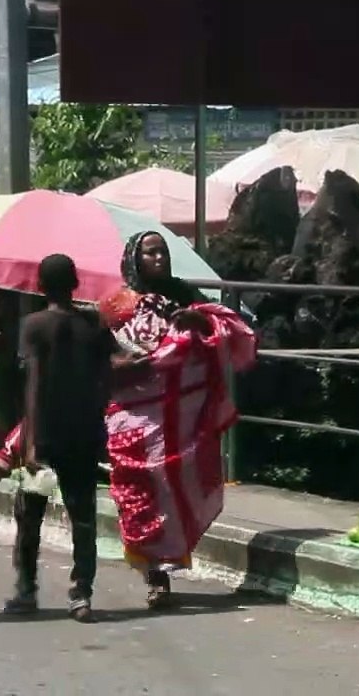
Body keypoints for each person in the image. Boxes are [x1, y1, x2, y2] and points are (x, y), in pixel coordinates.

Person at [99, 231, 256, 606]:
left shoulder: (185, 295)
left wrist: (198, 322)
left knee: (174, 494)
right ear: (134, 259)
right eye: (150, 253)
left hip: (184, 418)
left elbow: (224, 329)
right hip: (134, 416)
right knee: (140, 495)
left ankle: (164, 571)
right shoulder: (114, 303)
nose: (159, 258)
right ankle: (154, 574)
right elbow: (97, 354)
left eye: (163, 252)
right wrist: (123, 363)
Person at [4, 254, 115, 623]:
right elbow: (110, 373)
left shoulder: (33, 325)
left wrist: (29, 439)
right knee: (83, 517)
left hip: (46, 431)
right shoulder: (94, 324)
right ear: (76, 283)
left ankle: (26, 589)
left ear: (40, 286)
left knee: (29, 515)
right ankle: (81, 592)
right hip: (83, 430)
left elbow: (33, 382)